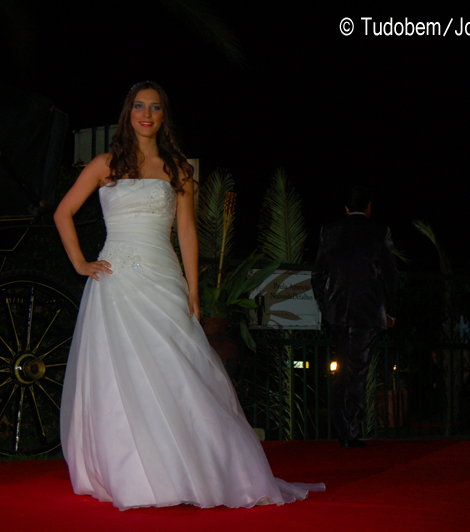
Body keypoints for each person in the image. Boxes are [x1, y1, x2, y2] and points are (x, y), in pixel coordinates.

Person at [53, 81, 324, 510]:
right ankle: (131, 470)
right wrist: (81, 263)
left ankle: (192, 467)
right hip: (116, 281)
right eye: (139, 106)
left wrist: (193, 289)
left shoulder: (178, 169)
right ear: (128, 113)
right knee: (120, 375)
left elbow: (186, 231)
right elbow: (62, 212)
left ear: (164, 116)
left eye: (154, 107)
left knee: (178, 369)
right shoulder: (105, 164)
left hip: (162, 277)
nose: (146, 114)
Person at [311, 185, 399, 448]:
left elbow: (317, 275)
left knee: (343, 367)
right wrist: (391, 310)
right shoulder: (380, 232)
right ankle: (349, 430)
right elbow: (391, 275)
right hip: (367, 310)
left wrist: (325, 306)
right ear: (369, 207)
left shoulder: (328, 232)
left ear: (347, 208)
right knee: (357, 369)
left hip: (337, 312)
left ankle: (344, 427)